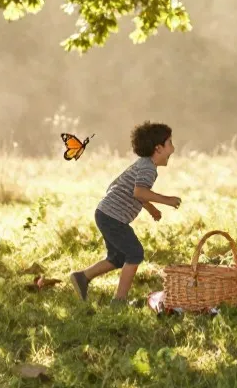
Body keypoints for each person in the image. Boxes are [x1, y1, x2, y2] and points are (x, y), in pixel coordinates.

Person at [70, 121, 181, 302]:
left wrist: (152, 208)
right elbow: (139, 191)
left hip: (106, 214)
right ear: (158, 148)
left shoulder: (144, 164)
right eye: (170, 143)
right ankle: (119, 300)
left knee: (118, 257)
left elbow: (136, 192)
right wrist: (167, 200)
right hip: (112, 217)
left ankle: (82, 277)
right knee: (135, 253)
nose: (173, 149)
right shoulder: (148, 168)